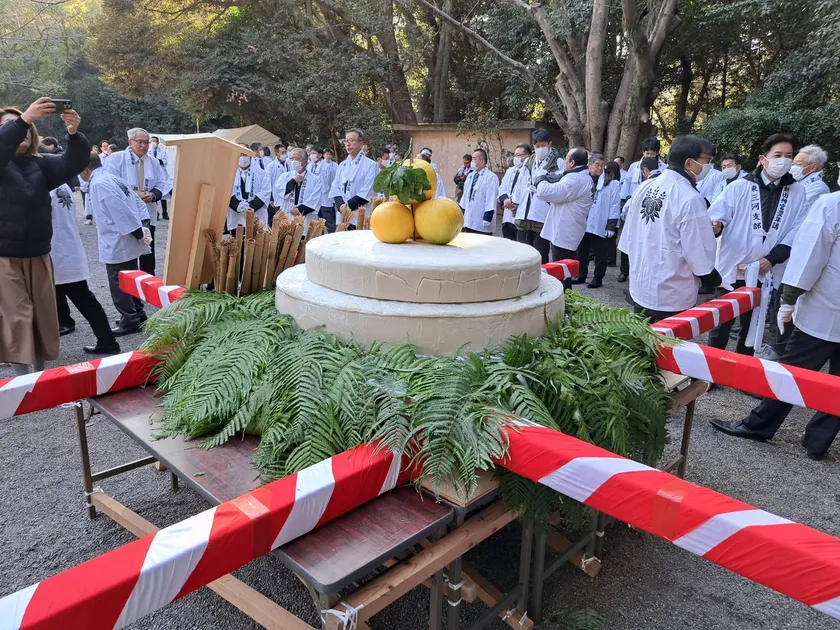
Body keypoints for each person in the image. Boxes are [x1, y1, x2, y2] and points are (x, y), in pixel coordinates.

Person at [710, 192, 840, 460]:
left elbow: (810, 256)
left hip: (827, 307)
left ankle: (759, 424)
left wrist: (789, 298)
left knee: (794, 370)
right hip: (830, 305)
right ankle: (818, 440)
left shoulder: (831, 205)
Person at [0, 98, 89, 375]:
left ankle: (38, 379)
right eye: (11, 126)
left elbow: (72, 163)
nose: (23, 130)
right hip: (4, 257)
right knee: (17, 316)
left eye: (28, 127)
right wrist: (24, 118)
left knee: (42, 316)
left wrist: (73, 134)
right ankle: (23, 381)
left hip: (38, 253)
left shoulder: (40, 164)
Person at [707, 133, 808, 356]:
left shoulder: (797, 191)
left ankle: (743, 368)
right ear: (763, 159)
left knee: (753, 323)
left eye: (788, 156)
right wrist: (716, 226)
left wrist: (771, 259)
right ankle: (711, 366)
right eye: (778, 155)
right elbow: (718, 217)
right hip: (734, 265)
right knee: (722, 320)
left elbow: (798, 230)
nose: (784, 160)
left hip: (766, 269)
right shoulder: (739, 187)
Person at [618, 135, 720, 323]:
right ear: (689, 163)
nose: (709, 166)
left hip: (641, 283)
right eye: (707, 161)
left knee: (642, 337)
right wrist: (713, 279)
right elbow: (698, 254)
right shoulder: (689, 197)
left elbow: (628, 238)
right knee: (670, 339)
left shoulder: (645, 186)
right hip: (672, 292)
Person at [79, 152, 152, 337]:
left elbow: (119, 212)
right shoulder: (112, 178)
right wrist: (141, 228)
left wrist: (138, 232)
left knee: (119, 281)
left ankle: (130, 318)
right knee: (131, 278)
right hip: (126, 236)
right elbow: (135, 201)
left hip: (118, 238)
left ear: (85, 169)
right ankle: (138, 314)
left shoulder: (99, 183)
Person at [49, 183, 120, 354]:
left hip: (56, 250)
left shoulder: (46, 187)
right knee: (83, 298)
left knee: (82, 298)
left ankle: (107, 341)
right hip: (67, 247)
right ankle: (106, 340)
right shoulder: (63, 185)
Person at [103, 128, 168, 276]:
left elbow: (162, 183)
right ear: (130, 142)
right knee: (127, 251)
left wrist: (153, 195)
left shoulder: (153, 162)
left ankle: (148, 279)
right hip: (125, 213)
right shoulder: (116, 159)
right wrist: (132, 195)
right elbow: (109, 184)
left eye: (146, 142)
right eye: (139, 142)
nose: (143, 146)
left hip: (147, 211)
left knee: (148, 249)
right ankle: (129, 281)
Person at [533, 147, 593, 285]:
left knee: (562, 271)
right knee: (563, 269)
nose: (565, 161)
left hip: (565, 231)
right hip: (567, 227)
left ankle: (564, 296)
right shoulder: (581, 177)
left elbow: (546, 191)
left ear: (572, 162)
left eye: (566, 159)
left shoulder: (576, 180)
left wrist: (541, 177)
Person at [515, 129, 562, 264]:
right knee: (523, 252)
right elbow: (521, 184)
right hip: (525, 211)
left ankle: (542, 275)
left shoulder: (558, 162)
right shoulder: (528, 161)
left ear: (550, 144)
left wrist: (542, 188)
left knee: (540, 252)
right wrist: (516, 204)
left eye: (543, 145)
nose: (540, 149)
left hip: (544, 211)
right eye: (537, 146)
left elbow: (560, 185)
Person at [575, 159, 621, 288]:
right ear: (589, 165)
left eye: (602, 165)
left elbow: (614, 205)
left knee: (600, 252)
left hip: (600, 222)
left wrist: (611, 225)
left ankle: (598, 277)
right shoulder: (583, 179)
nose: (600, 168)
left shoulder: (612, 183)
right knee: (581, 250)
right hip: (583, 220)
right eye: (597, 165)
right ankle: (581, 274)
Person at [617, 155, 662, 283]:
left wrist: (624, 215)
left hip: (638, 221)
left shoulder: (644, 186)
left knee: (633, 248)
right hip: (656, 225)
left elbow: (627, 207)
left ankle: (630, 276)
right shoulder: (667, 183)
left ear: (645, 171)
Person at [329, 128, 378, 229]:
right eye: (346, 141)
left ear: (361, 143)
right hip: (342, 216)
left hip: (359, 217)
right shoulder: (342, 165)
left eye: (351, 140)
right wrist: (341, 205)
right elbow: (335, 187)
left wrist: (348, 207)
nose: (348, 144)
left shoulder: (370, 165)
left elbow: (368, 191)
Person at [274, 147, 325, 234]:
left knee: (304, 237)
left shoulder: (315, 179)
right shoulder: (285, 176)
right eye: (292, 159)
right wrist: (293, 181)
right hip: (288, 216)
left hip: (306, 218)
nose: (293, 161)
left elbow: (315, 199)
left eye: (297, 159)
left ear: (304, 161)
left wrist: (300, 209)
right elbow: (279, 190)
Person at [229, 143, 271, 231]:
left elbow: (265, 192)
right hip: (237, 217)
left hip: (257, 216)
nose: (242, 157)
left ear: (250, 155)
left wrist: (250, 207)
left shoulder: (262, 173)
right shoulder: (228, 173)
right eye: (240, 154)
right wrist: (237, 206)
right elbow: (226, 192)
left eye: (245, 154)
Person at [459, 148, 499, 235]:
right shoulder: (470, 176)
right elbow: (465, 196)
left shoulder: (491, 177)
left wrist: (487, 217)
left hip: (481, 224)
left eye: (474, 159)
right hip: (468, 222)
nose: (472, 162)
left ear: (482, 160)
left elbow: (491, 199)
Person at [498, 145, 531, 241]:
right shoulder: (510, 171)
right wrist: (505, 200)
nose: (515, 158)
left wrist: (513, 203)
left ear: (527, 156)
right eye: (515, 155)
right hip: (507, 216)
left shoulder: (529, 172)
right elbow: (502, 188)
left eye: (518, 155)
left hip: (521, 217)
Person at [620, 137, 667, 205]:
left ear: (657, 153)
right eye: (647, 153)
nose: (649, 156)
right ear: (643, 152)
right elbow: (627, 182)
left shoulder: (664, 168)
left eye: (652, 154)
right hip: (633, 201)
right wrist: (624, 198)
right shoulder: (634, 166)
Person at [790, 144, 830, 210]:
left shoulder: (817, 187)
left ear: (813, 167)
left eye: (798, 164)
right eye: (793, 164)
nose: (793, 167)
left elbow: (794, 208)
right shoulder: (796, 181)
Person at [149, 136, 170, 220]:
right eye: (151, 141)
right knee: (155, 194)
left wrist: (157, 160)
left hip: (162, 173)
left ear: (157, 143)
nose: (152, 143)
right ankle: (156, 213)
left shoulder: (162, 151)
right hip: (152, 174)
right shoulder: (148, 151)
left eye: (154, 141)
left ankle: (165, 213)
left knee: (163, 194)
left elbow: (165, 161)